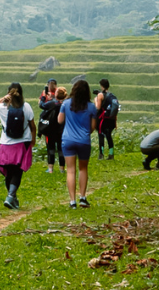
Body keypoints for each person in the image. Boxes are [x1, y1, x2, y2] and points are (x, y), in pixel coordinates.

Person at [0, 82, 34, 209]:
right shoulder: (26, 106)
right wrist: (33, 140)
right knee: (17, 171)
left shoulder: (1, 108)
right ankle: (11, 196)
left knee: (9, 172)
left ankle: (11, 197)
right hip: (22, 142)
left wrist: (4, 98)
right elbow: (32, 125)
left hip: (6, 143)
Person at [59, 79, 98, 207]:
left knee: (70, 170)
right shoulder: (91, 107)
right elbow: (93, 127)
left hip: (68, 140)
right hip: (83, 141)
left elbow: (60, 120)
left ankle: (72, 201)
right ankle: (82, 197)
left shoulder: (66, 103)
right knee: (83, 169)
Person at [38, 82, 63, 172]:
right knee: (61, 149)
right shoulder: (65, 104)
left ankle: (50, 168)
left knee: (51, 149)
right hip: (61, 130)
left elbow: (41, 105)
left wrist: (44, 97)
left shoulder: (51, 103)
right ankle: (62, 169)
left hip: (50, 130)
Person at [94, 79, 120, 160]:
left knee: (101, 135)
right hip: (111, 119)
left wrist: (96, 100)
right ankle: (111, 154)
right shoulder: (112, 95)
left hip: (103, 119)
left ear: (101, 85)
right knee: (109, 136)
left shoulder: (100, 95)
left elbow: (98, 108)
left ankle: (101, 154)